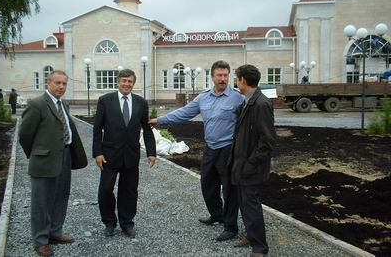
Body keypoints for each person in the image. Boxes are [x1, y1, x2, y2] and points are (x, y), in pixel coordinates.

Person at [149, 60, 244, 241]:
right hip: (210, 148)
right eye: (219, 75)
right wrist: (159, 120)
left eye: (225, 75)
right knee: (208, 184)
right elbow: (183, 113)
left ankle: (231, 227)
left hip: (228, 150)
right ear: (212, 76)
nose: (223, 79)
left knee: (230, 189)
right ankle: (217, 215)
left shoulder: (238, 98)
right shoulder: (203, 97)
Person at [19, 70, 87, 257]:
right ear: (48, 83)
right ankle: (41, 240)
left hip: (64, 156)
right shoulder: (37, 104)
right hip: (44, 161)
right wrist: (36, 154)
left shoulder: (63, 104)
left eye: (64, 84)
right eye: (57, 83)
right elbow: (25, 135)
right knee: (41, 201)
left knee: (61, 196)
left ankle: (55, 232)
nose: (61, 87)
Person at [93, 69, 156, 238]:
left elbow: (147, 130)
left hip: (131, 155)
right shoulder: (105, 101)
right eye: (124, 81)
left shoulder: (141, 102)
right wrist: (97, 153)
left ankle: (127, 223)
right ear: (118, 82)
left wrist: (151, 152)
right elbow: (97, 130)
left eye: (130, 81)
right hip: (108, 155)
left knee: (129, 191)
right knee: (105, 190)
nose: (127, 84)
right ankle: (109, 222)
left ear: (133, 83)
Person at [230, 64, 276, 257]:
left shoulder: (261, 104)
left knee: (251, 205)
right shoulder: (248, 101)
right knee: (244, 203)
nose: (236, 81)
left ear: (243, 80)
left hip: (252, 167)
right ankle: (251, 236)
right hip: (243, 164)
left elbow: (267, 141)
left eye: (236, 78)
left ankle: (259, 248)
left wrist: (250, 163)